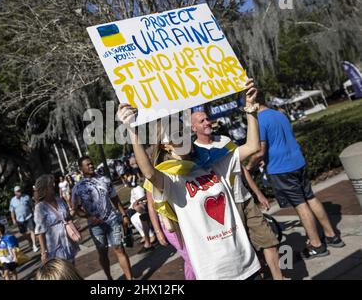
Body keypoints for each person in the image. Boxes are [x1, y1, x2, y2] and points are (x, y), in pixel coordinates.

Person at [117, 79, 263, 280]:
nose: (183, 137)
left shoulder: (213, 162)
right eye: (176, 135)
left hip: (246, 262)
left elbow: (253, 146)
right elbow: (150, 173)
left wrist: (250, 109)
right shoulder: (169, 179)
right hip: (214, 273)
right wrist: (132, 130)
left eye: (184, 131)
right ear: (166, 145)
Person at [247, 93, 345, 259]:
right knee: (310, 198)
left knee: (300, 205)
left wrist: (249, 166)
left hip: (282, 168)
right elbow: (279, 141)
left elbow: (260, 151)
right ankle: (331, 235)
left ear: (254, 103)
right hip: (297, 161)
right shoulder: (279, 114)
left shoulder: (260, 120)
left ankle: (316, 245)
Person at [191, 110, 283, 280]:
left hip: (245, 198)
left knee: (269, 242)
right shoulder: (195, 153)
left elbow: (239, 167)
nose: (207, 122)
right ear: (193, 127)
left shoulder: (224, 140)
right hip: (227, 208)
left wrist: (258, 193)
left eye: (207, 119)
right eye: (201, 120)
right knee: (245, 248)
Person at [71, 156, 133, 280]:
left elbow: (115, 198)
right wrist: (89, 216)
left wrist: (124, 214)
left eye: (92, 163)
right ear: (81, 168)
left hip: (112, 220)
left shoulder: (104, 180)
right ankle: (109, 277)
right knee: (102, 253)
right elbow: (76, 209)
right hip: (95, 226)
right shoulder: (77, 187)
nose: (91, 166)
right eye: (87, 164)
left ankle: (130, 279)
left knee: (119, 248)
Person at [33, 174, 80, 264]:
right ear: (45, 188)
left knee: (72, 268)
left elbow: (67, 217)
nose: (54, 185)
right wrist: (44, 252)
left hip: (68, 241)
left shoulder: (60, 200)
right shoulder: (40, 207)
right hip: (54, 246)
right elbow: (40, 232)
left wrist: (74, 210)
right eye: (51, 184)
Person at [9, 186, 39, 252]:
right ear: (15, 192)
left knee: (32, 230)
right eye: (17, 191)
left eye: (19, 190)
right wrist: (13, 219)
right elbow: (12, 211)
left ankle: (34, 245)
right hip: (19, 220)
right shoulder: (12, 200)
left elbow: (32, 205)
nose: (19, 192)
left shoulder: (26, 197)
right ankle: (29, 240)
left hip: (29, 216)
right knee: (24, 233)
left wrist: (35, 213)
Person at [128, 181, 155, 252]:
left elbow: (149, 195)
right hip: (149, 204)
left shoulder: (138, 188)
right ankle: (147, 239)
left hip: (155, 205)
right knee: (136, 217)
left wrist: (139, 201)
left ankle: (151, 236)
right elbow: (148, 194)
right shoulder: (134, 189)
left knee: (141, 214)